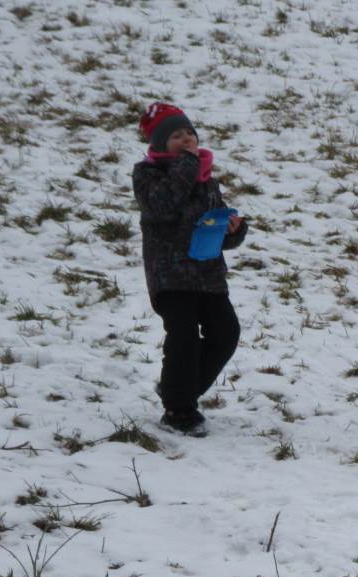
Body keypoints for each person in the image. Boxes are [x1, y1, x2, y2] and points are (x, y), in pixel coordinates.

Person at [132, 102, 247, 437]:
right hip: (170, 275)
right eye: (176, 136)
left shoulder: (206, 179)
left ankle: (178, 390)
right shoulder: (148, 175)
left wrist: (233, 229)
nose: (186, 140)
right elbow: (164, 207)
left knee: (226, 333)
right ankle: (179, 411)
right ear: (159, 144)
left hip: (208, 274)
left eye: (189, 134)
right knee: (183, 337)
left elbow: (214, 223)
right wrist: (186, 165)